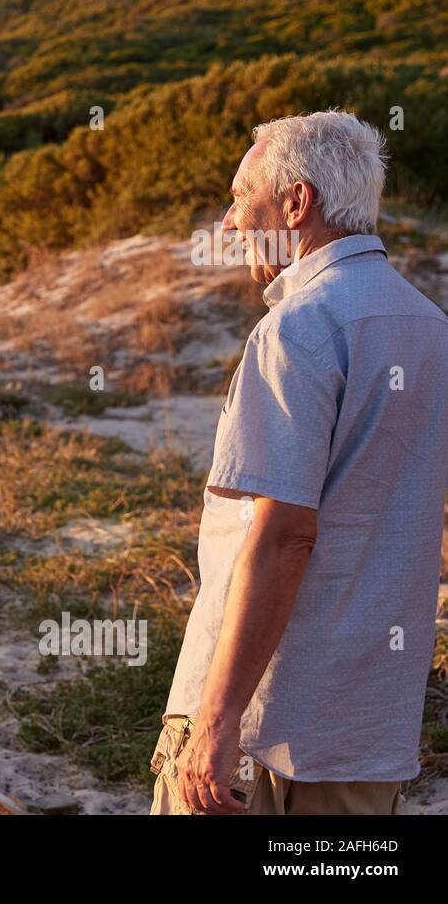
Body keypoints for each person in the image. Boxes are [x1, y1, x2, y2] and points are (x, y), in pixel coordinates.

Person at [151, 110, 448, 815]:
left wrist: (217, 722)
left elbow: (285, 536)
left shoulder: (297, 328)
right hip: (369, 733)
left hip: (267, 732)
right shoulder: (430, 325)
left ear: (296, 202)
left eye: (239, 195)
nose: (228, 224)